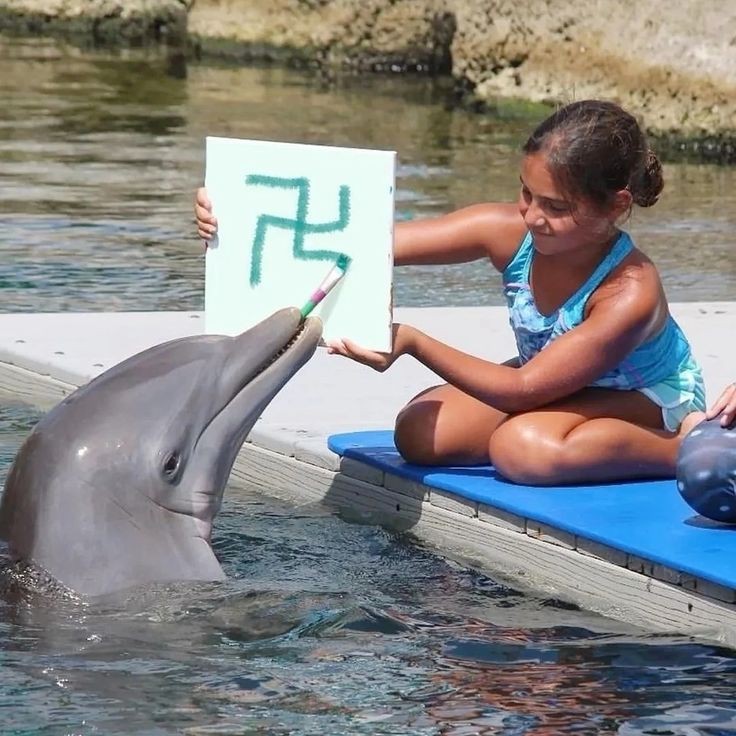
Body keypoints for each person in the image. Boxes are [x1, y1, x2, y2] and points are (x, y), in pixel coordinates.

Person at [194, 99, 706, 486]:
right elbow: (363, 245)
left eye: (556, 206)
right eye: (527, 193)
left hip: (644, 399)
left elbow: (527, 390)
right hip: (558, 384)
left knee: (523, 449)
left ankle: (680, 445)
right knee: (419, 433)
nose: (532, 215)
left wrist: (413, 341)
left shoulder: (629, 290)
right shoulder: (509, 232)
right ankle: (583, 436)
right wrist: (232, 219)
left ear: (616, 206)